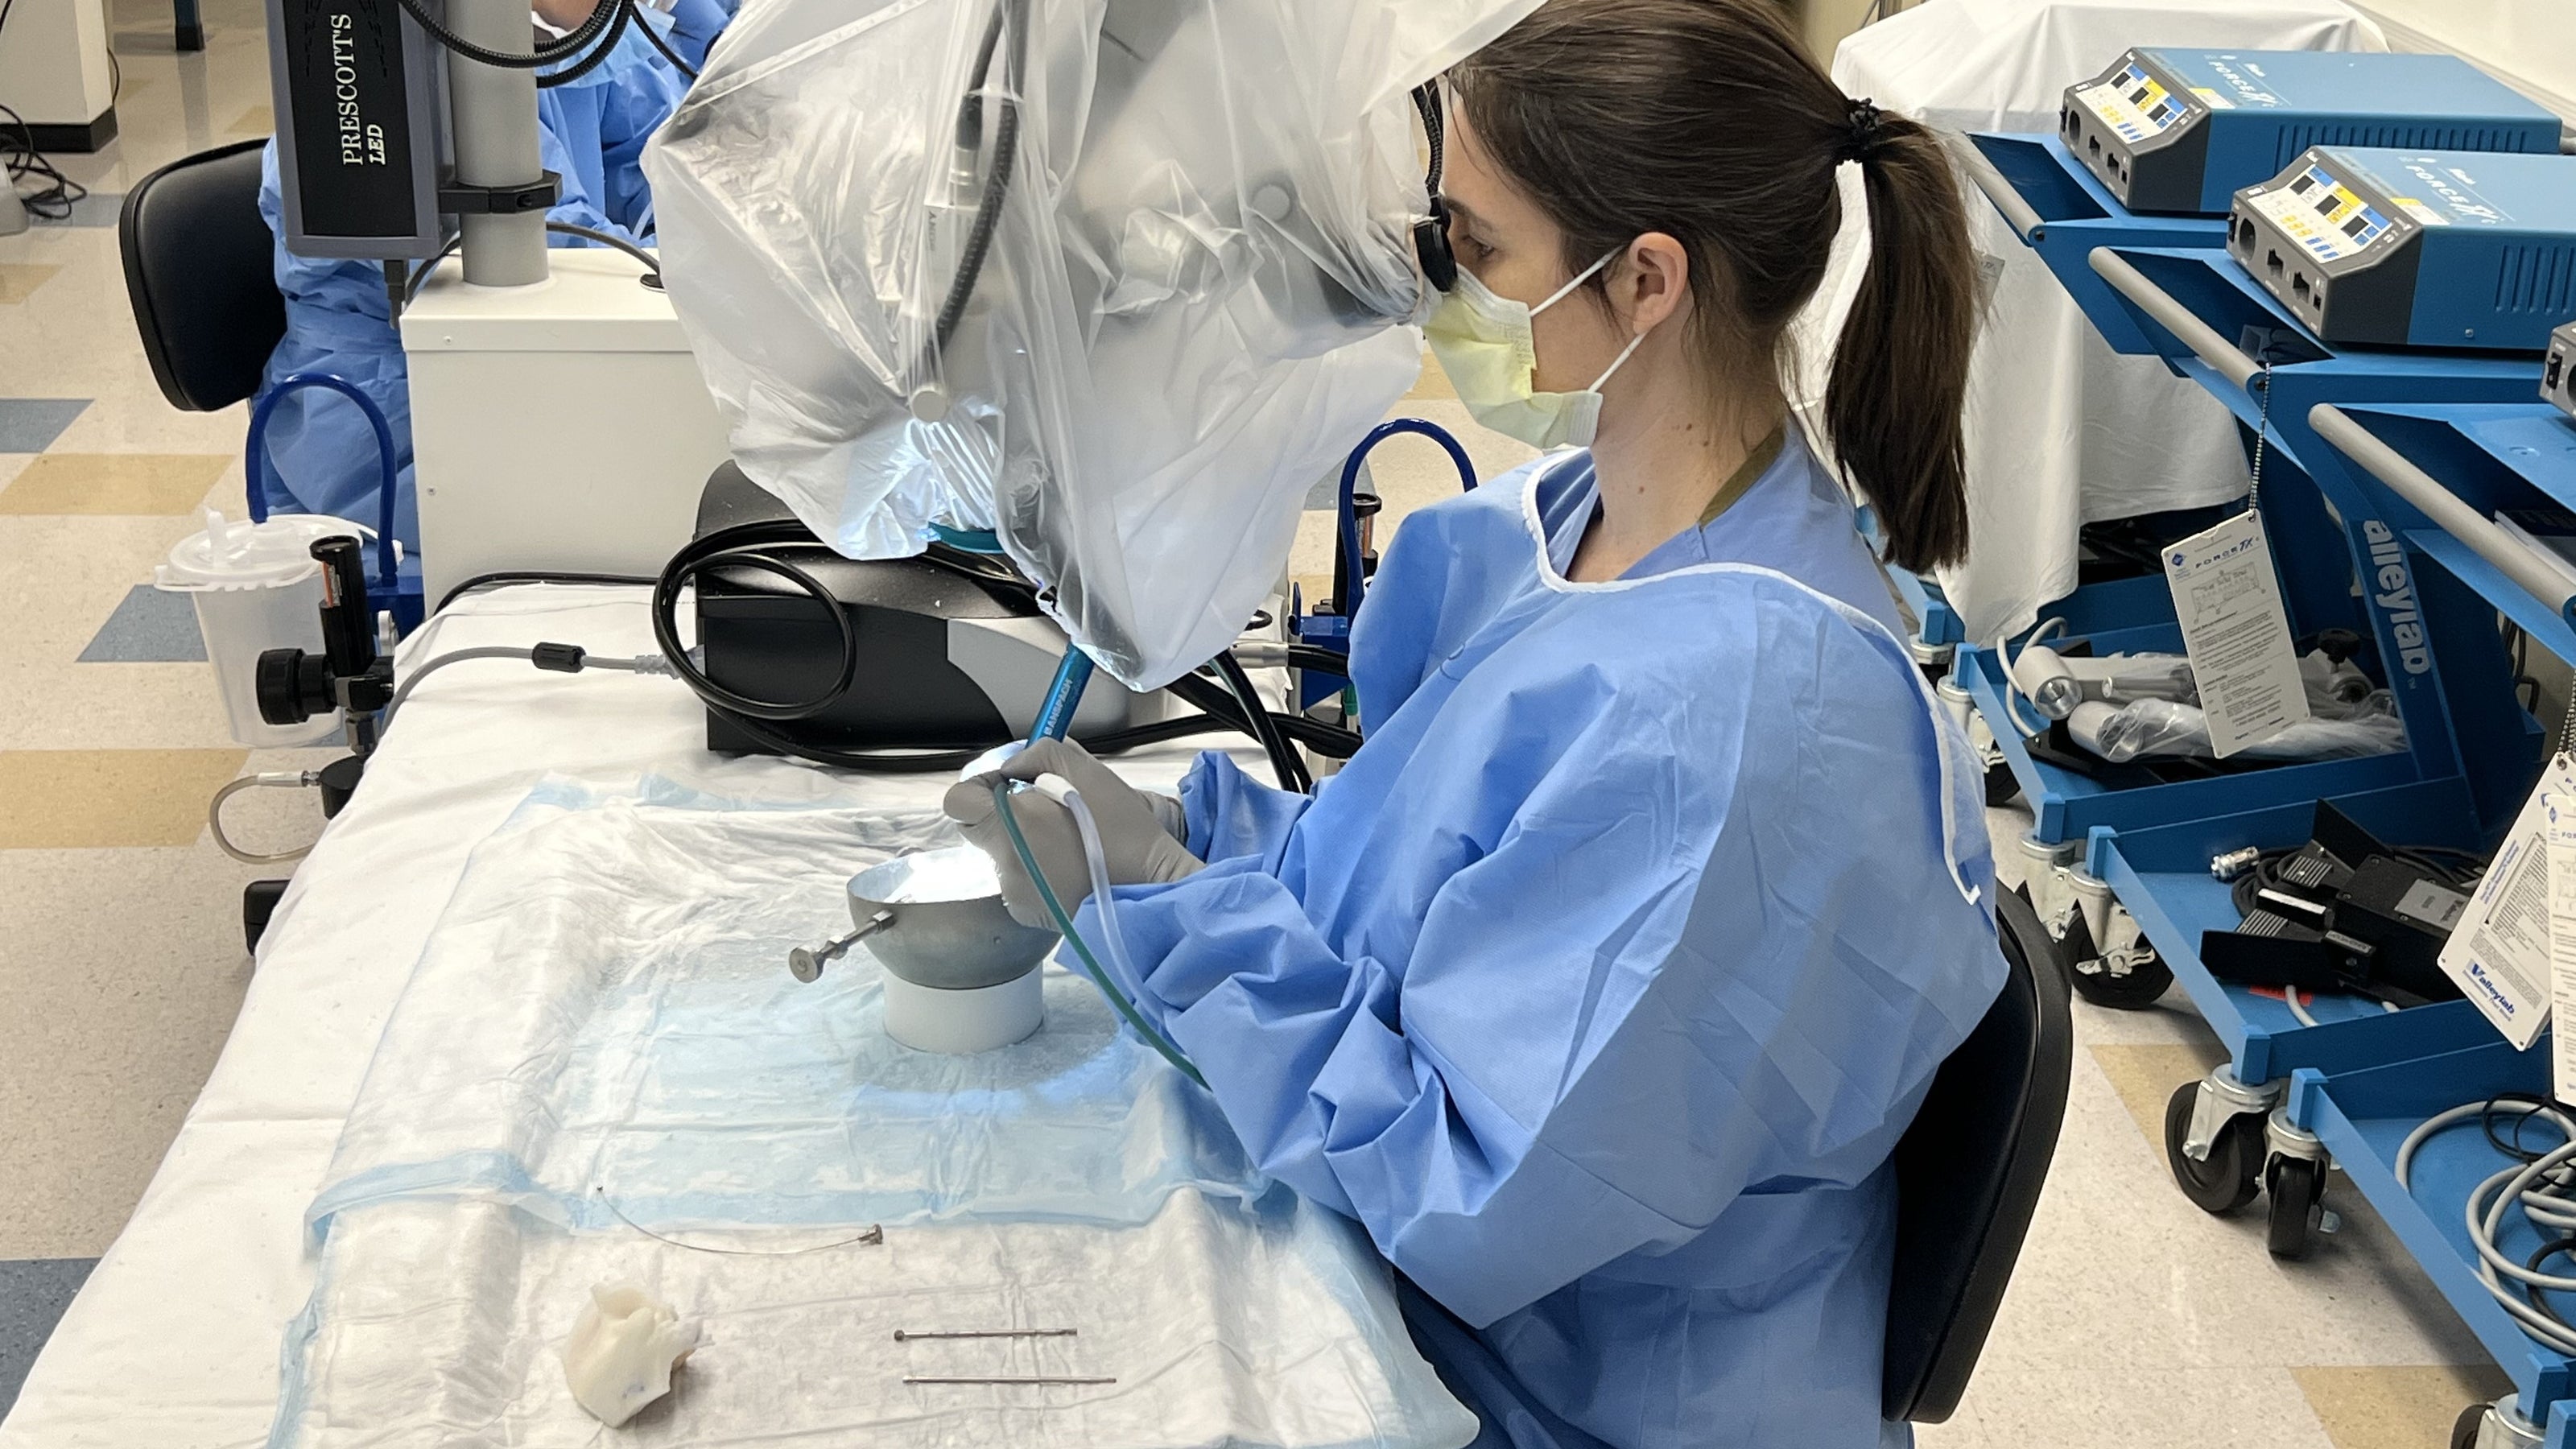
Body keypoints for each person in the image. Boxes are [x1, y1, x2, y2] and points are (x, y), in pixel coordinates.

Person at [943, 1, 2002, 1445]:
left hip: (1568, 1385)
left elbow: (1467, 1191)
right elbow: (1409, 873)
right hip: (1454, 1280)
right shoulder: (1572, 524)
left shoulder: (1740, 733)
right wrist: (1181, 834)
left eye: (1478, 247)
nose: (1444, 284)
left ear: (1646, 280)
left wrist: (1176, 910)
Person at [250, 0, 697, 562]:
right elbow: (544, 250)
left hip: (523, 363)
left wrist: (699, 236)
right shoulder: (400, 74)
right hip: (386, 414)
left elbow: (657, 163)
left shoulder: (565, 51)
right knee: (631, 523)